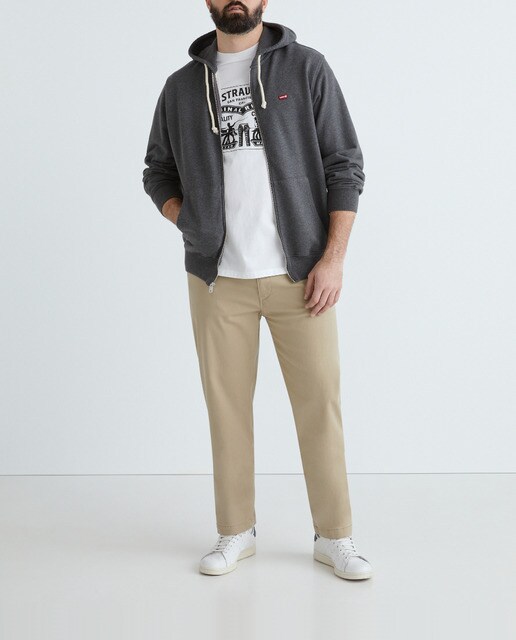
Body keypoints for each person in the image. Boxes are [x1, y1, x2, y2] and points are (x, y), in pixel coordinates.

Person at [142, 0, 373, 581]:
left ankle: (335, 536)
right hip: (218, 278)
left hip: (302, 274)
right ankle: (235, 530)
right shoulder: (181, 86)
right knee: (226, 410)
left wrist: (333, 260)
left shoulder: (306, 67)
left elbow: (345, 164)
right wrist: (190, 223)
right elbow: (157, 170)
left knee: (320, 405)